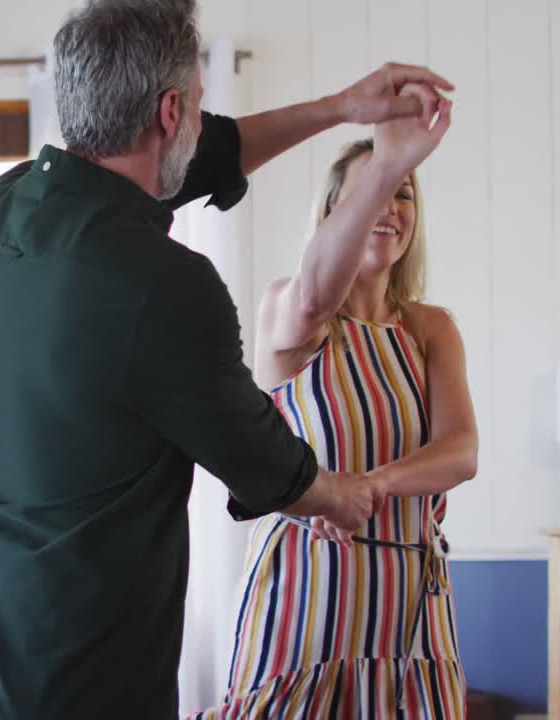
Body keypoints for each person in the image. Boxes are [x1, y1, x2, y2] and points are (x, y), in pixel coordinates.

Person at [0, 1, 455, 717]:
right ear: (171, 110)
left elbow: (195, 157)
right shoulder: (163, 284)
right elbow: (261, 456)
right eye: (201, 108)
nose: (206, 126)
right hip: (84, 678)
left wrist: (341, 107)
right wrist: (342, 495)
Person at [189, 107, 474, 718]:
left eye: (402, 191)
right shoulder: (291, 313)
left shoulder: (430, 329)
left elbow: (461, 451)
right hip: (304, 598)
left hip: (410, 608)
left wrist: (370, 486)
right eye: (370, 190)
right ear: (332, 216)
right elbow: (317, 294)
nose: (390, 207)